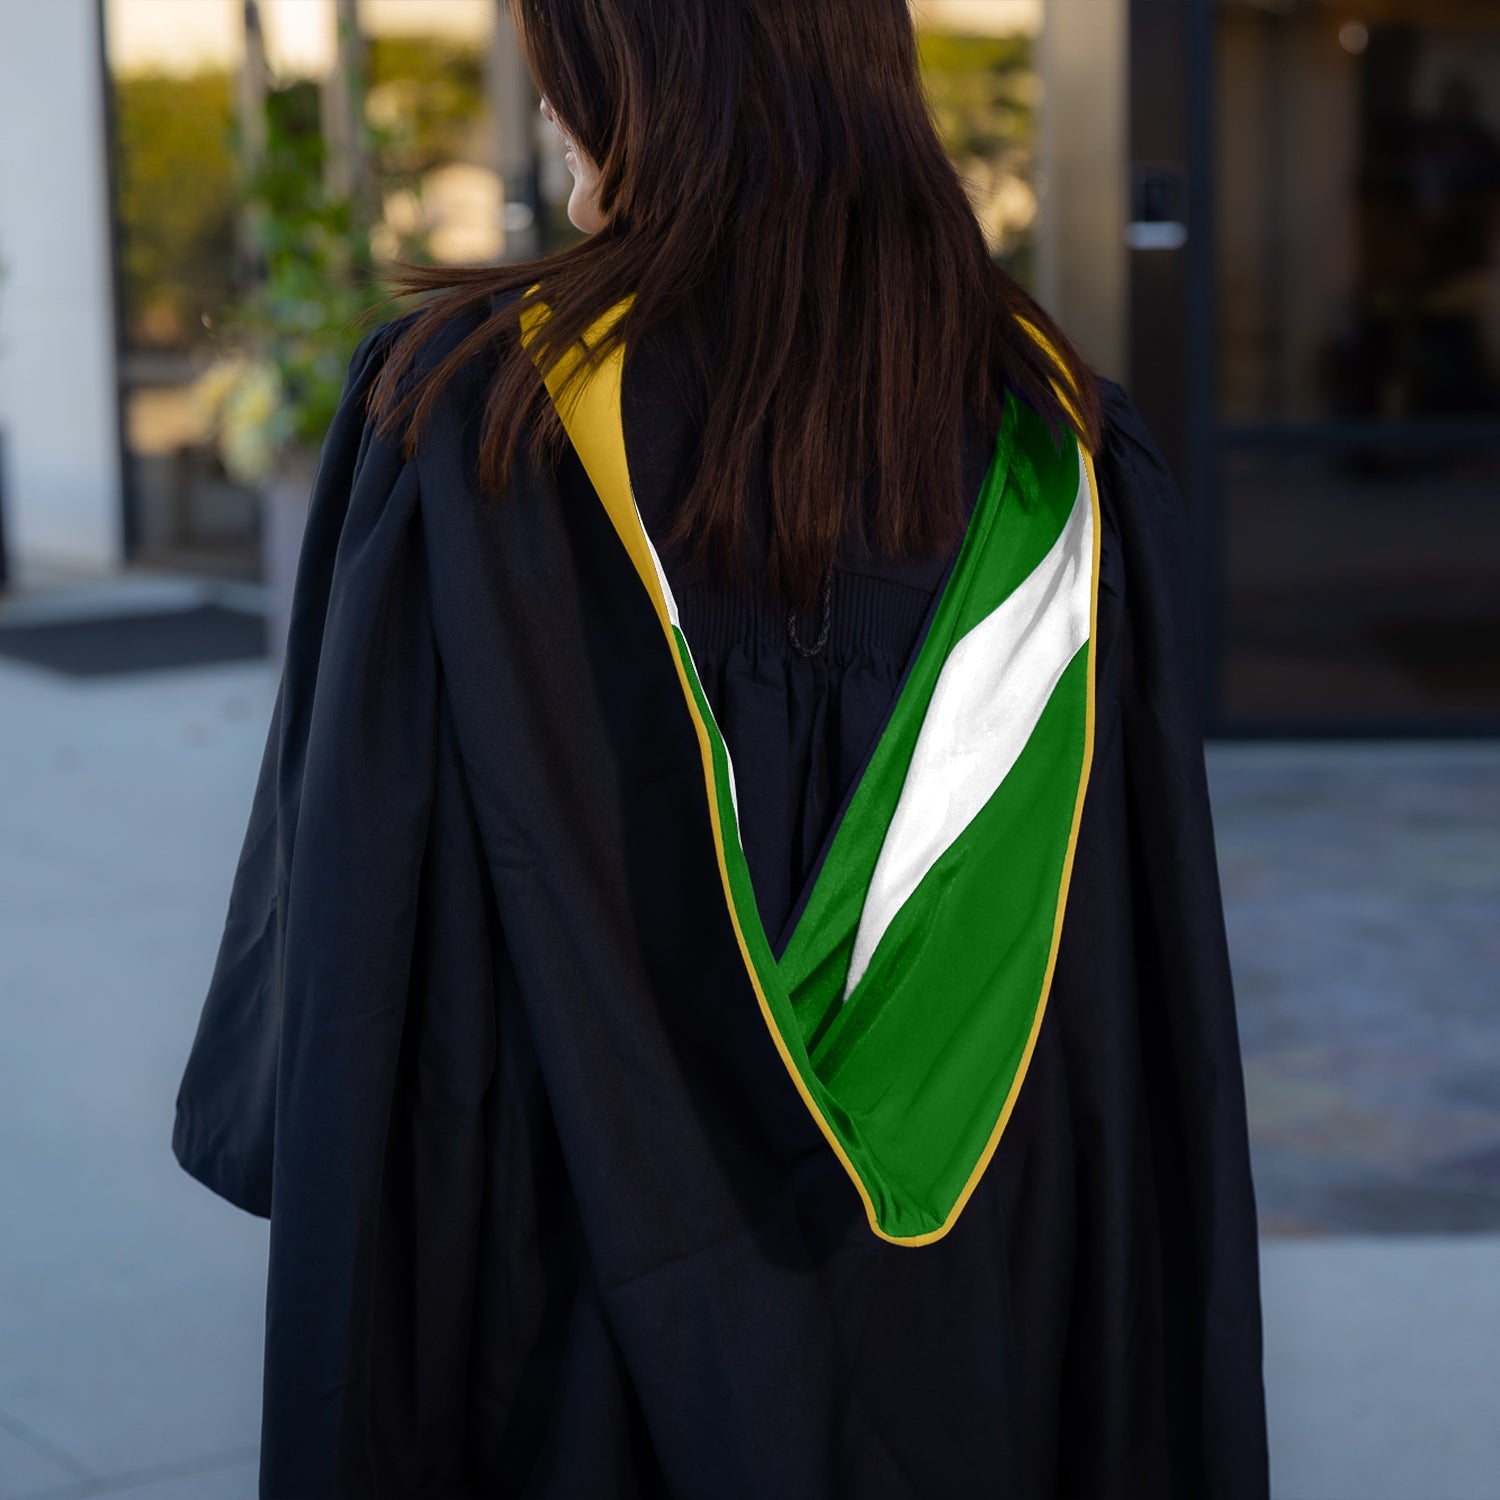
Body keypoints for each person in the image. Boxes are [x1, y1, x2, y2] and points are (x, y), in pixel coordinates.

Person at [171, 1, 1269, 1495]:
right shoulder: (1059, 442)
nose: (547, 104)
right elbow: (1136, 1009)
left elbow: (358, 944)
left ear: (654, 72)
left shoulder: (470, 423)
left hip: (562, 1317)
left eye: (566, 58)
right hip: (985, 1320)